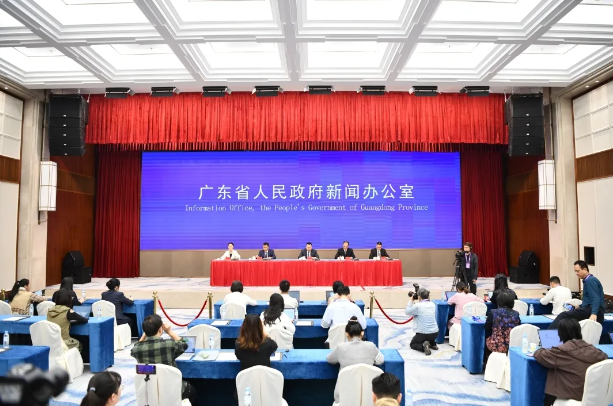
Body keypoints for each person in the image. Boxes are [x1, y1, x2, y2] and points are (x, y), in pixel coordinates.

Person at [535, 318, 607, 406]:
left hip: (570, 397)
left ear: (560, 334)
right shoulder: (596, 351)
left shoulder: (562, 351)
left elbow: (539, 355)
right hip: (594, 398)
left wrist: (543, 347)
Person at [131, 314, 196, 400]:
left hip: (150, 391)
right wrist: (169, 331)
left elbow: (134, 348)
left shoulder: (137, 349)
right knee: (192, 390)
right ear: (160, 329)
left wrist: (145, 334)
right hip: (172, 389)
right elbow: (186, 344)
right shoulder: (169, 344)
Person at [327, 317, 384, 404]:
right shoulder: (371, 346)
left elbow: (330, 359)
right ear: (362, 333)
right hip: (369, 399)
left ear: (346, 334)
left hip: (344, 399)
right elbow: (380, 360)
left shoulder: (341, 347)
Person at [550, 261, 605, 329]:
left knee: (563, 316)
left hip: (593, 310)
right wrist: (579, 306)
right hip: (592, 309)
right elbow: (589, 300)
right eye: (575, 271)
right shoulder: (588, 280)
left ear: (585, 269)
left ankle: (548, 334)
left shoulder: (590, 280)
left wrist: (594, 313)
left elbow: (595, 298)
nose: (576, 273)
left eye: (578, 271)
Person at [484, 290, 520, 364]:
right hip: (511, 345)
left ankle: (486, 363)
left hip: (495, 345)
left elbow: (487, 328)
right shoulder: (516, 314)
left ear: (499, 302)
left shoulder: (493, 312)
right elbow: (517, 328)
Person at [405, 288, 439, 355]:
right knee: (429, 327)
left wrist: (411, 299)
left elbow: (407, 311)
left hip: (423, 334)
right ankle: (433, 344)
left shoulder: (417, 306)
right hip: (435, 333)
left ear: (419, 297)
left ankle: (423, 347)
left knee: (413, 344)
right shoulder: (433, 304)